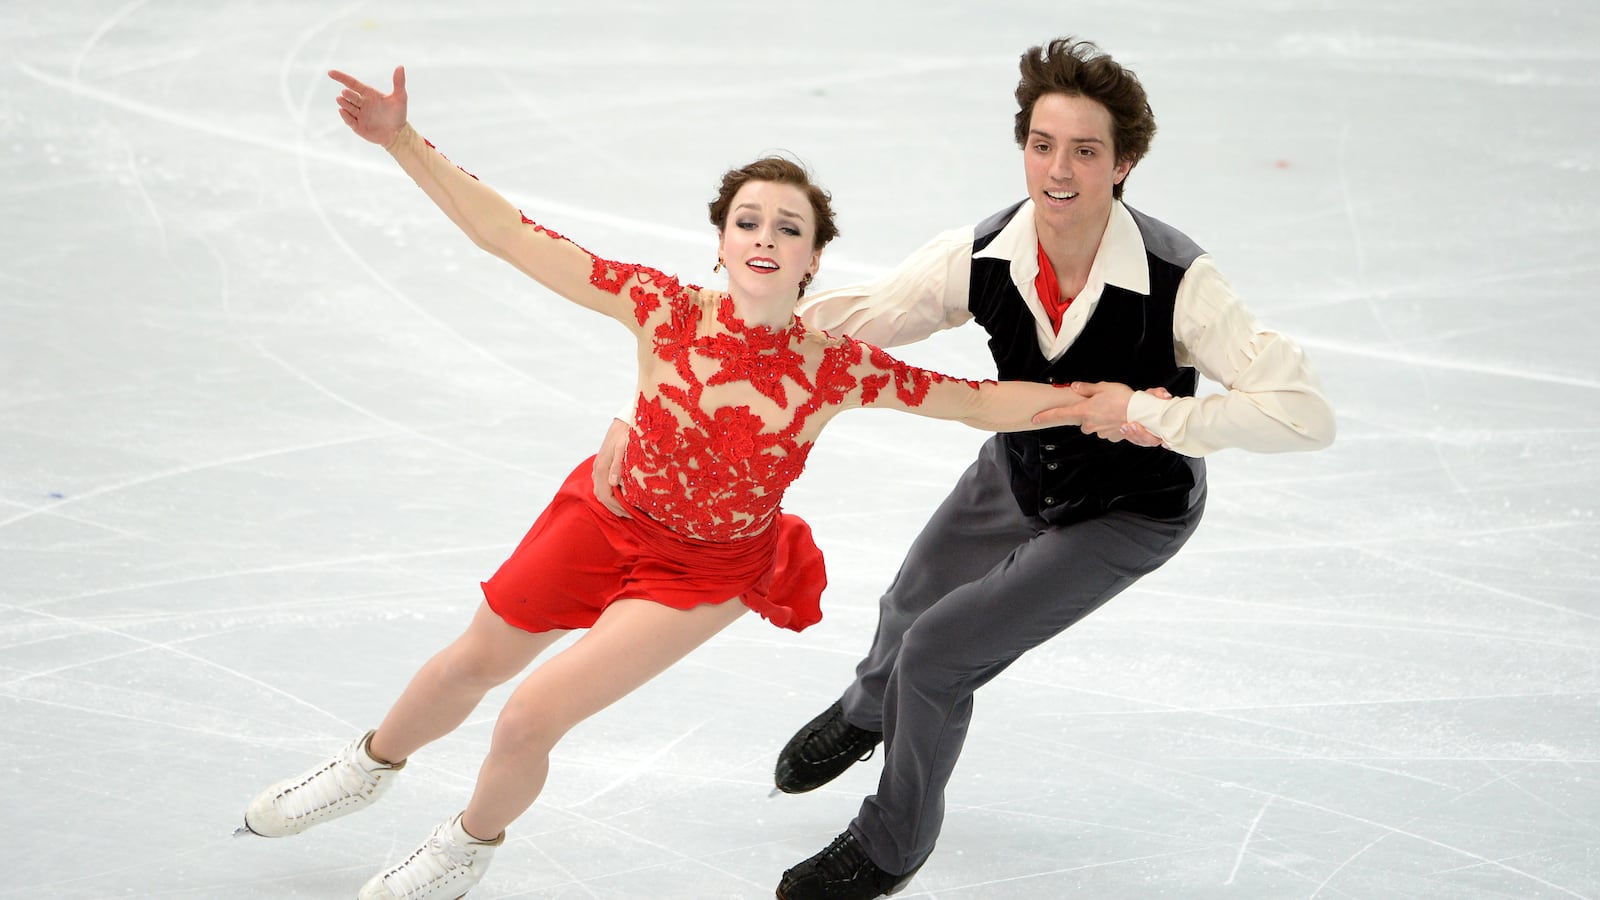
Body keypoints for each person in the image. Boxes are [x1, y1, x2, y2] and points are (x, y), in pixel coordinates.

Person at [237, 65, 1095, 900]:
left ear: (813, 260)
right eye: (748, 221)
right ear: (720, 243)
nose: (764, 236)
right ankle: (367, 767)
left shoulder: (833, 368)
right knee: (471, 664)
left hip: (705, 571)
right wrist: (402, 142)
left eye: (787, 228)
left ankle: (466, 847)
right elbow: (510, 234)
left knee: (529, 715)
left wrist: (1101, 402)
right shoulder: (661, 309)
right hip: (604, 517)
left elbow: (975, 404)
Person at [589, 34, 1338, 900]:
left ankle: (890, 844)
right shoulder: (982, 254)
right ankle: (871, 710)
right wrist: (656, 394)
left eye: (1086, 151)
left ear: (1124, 162)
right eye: (1042, 144)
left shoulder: (1179, 280)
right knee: (909, 599)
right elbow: (848, 321)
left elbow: (1303, 414)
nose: (1058, 170)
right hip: (1019, 470)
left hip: (1130, 509)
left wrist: (1153, 413)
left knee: (938, 654)